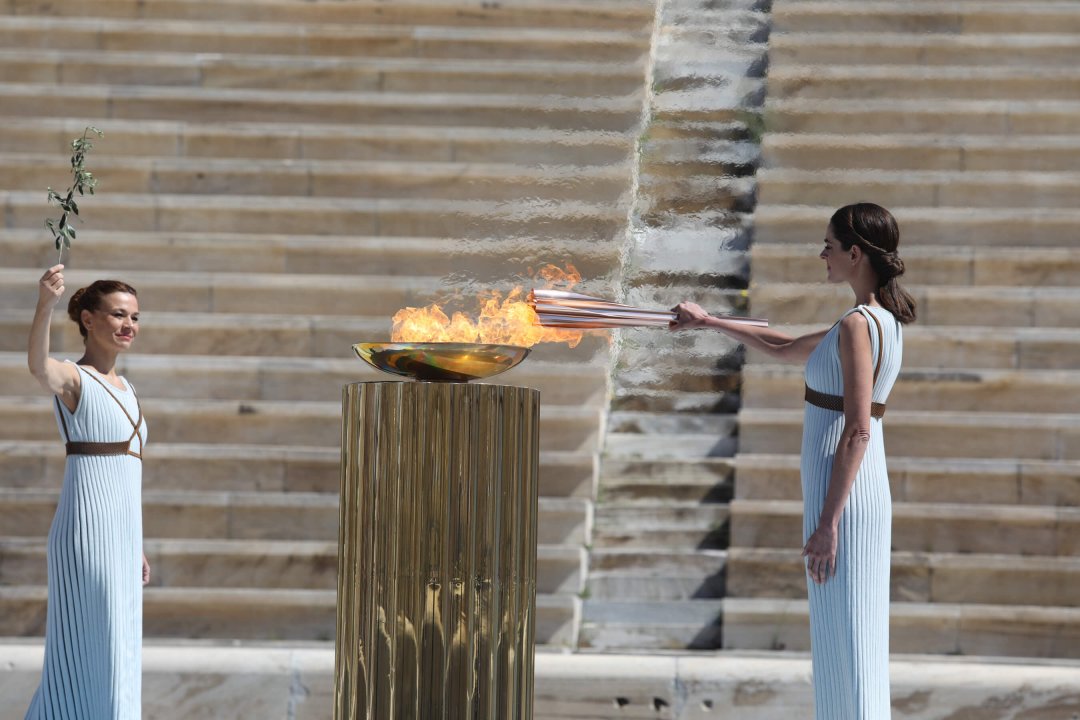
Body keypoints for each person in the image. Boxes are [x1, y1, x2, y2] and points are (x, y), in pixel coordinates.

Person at [671, 203, 916, 718]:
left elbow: (856, 430)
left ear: (854, 253)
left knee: (847, 642)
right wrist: (709, 321)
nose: (821, 253)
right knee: (852, 641)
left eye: (829, 244)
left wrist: (829, 522)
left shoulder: (857, 325)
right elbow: (783, 347)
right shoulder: (878, 322)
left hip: (843, 502)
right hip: (855, 496)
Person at [25, 265, 148, 720]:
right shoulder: (76, 381)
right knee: (87, 648)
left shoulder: (129, 388)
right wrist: (45, 305)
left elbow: (127, 474)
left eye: (134, 317)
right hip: (87, 534)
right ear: (89, 320)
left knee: (120, 647)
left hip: (121, 536)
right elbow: (38, 366)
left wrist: (138, 543)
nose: (128, 326)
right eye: (118, 315)